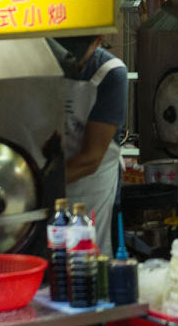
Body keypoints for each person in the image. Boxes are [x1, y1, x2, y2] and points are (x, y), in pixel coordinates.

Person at [51, 34, 128, 256]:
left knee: (90, 263)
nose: (66, 62)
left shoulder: (110, 74)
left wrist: (40, 184)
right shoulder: (41, 63)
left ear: (98, 41)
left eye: (74, 56)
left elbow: (91, 159)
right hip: (48, 185)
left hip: (92, 189)